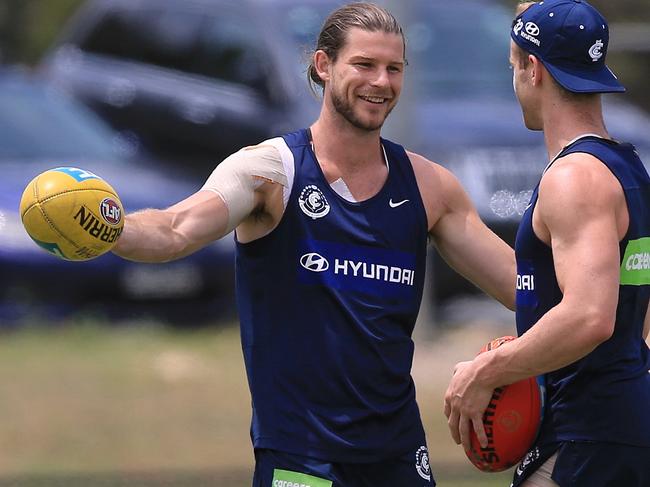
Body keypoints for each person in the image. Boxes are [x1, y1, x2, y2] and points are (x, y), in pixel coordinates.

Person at [113, 3, 515, 486]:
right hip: (301, 458)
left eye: (393, 69)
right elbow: (177, 228)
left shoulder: (431, 187)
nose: (381, 82)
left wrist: (609, 311)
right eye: (364, 65)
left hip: (398, 456)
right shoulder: (269, 171)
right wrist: (109, 227)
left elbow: (527, 291)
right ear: (324, 66)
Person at [444, 1, 650, 486]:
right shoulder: (628, 168)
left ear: (533, 69)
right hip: (617, 423)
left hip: (590, 434)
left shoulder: (575, 178)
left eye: (514, 65)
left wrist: (487, 371)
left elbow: (589, 316)